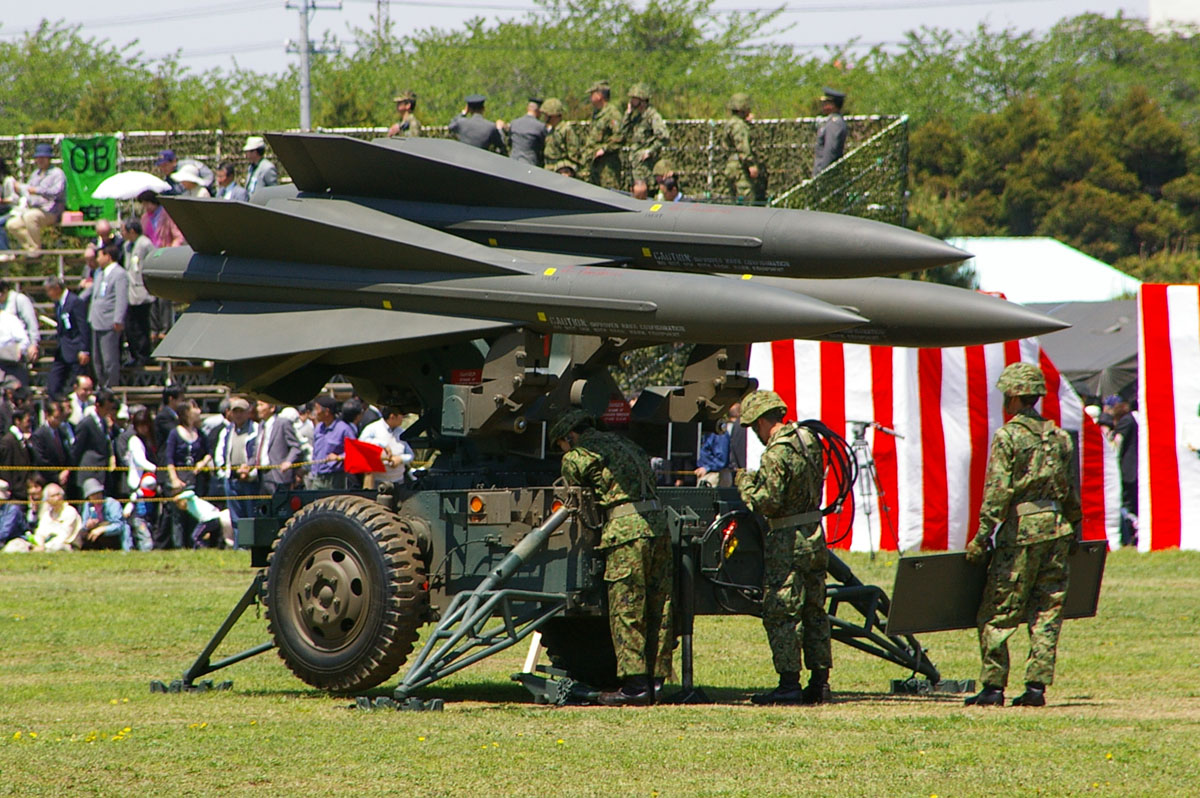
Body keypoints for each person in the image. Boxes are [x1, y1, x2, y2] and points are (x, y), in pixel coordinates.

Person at [963, 362, 1082, 708]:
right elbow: (1070, 491)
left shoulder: (1008, 436)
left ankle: (993, 687)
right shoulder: (1059, 436)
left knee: (997, 612)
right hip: (1057, 531)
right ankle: (1035, 688)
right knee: (1046, 611)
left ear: (1014, 397)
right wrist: (1073, 526)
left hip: (1022, 534)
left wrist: (982, 537)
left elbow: (997, 493)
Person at [551, 409, 674, 706]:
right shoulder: (627, 445)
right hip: (658, 527)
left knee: (627, 605)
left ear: (571, 436)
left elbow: (573, 490)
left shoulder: (579, 455)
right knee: (659, 606)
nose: (564, 451)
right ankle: (655, 681)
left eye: (562, 445)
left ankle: (634, 686)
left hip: (627, 533)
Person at [735, 390, 832, 705]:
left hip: (787, 541)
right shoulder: (808, 440)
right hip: (814, 535)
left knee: (782, 611)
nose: (756, 434)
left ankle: (789, 685)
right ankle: (820, 683)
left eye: (754, 427)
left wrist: (745, 485)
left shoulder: (775, 453)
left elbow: (768, 503)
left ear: (764, 421)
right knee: (815, 611)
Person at [5, 142, 65, 253]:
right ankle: (31, 248)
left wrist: (37, 191)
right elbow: (28, 193)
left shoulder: (57, 173)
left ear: (49, 158)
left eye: (43, 157)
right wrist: (19, 189)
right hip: (34, 209)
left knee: (30, 217)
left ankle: (36, 249)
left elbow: (57, 192)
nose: (40, 160)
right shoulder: (35, 174)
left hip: (51, 211)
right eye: (38, 158)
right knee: (12, 224)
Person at [86, 242, 129, 389]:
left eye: (99, 256)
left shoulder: (119, 274)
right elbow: (94, 294)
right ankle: (101, 385)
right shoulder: (100, 273)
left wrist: (118, 319)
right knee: (97, 359)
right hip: (96, 321)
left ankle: (111, 386)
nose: (97, 260)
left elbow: (121, 298)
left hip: (109, 321)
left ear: (108, 256)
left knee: (109, 359)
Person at [43, 276, 91, 400]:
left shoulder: (75, 301)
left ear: (57, 288)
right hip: (62, 349)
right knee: (53, 385)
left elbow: (83, 326)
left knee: (74, 386)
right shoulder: (58, 304)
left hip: (76, 349)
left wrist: (84, 349)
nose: (48, 294)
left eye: (49, 290)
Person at [214, 396, 259, 526]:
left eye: (241, 411)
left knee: (250, 514)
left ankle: (250, 545)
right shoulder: (226, 431)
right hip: (231, 478)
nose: (238, 415)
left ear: (248, 412)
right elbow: (219, 454)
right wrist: (223, 473)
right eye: (235, 411)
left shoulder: (256, 429)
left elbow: (257, 453)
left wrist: (250, 472)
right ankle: (238, 545)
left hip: (249, 478)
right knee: (235, 517)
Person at [621, 84, 670, 198]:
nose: (631, 101)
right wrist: (628, 114)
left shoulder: (652, 116)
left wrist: (650, 151)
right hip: (635, 162)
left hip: (645, 165)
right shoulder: (637, 117)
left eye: (634, 98)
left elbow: (664, 137)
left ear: (641, 99)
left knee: (643, 192)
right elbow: (623, 133)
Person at [4, 482, 81, 552]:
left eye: (58, 495)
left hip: (66, 546)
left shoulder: (70, 512)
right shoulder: (47, 514)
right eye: (53, 496)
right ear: (47, 500)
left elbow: (63, 537)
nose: (57, 498)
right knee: (16, 544)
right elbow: (40, 533)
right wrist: (38, 544)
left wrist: (44, 547)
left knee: (57, 547)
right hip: (44, 546)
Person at [71, 387, 118, 496]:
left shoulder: (104, 423)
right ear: (97, 406)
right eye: (106, 409)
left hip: (102, 471)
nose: (108, 412)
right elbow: (76, 449)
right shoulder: (86, 424)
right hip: (89, 471)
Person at [122, 220, 156, 368]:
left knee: (142, 326)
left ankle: (144, 355)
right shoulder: (127, 246)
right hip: (130, 292)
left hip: (142, 291)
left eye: (124, 231)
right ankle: (134, 354)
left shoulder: (145, 244)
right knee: (130, 326)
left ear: (132, 231)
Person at [358, 405, 415, 488]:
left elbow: (411, 455)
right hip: (377, 482)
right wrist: (382, 444)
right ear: (392, 417)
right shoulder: (373, 428)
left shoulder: (402, 432)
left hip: (398, 481)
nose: (402, 418)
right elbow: (361, 444)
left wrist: (401, 459)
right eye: (401, 416)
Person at [724, 93, 765, 204]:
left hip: (731, 166)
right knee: (747, 200)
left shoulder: (730, 123)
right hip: (740, 168)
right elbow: (743, 147)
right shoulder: (739, 125)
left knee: (732, 201)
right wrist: (751, 164)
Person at [255, 400, 302, 495]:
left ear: (272, 408)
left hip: (278, 473)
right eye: (257, 405)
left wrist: (288, 461)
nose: (257, 408)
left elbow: (295, 447)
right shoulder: (261, 425)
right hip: (262, 474)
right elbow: (259, 449)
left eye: (261, 405)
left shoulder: (283, 423)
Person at [1109, 396, 1139, 546]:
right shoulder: (1137, 420)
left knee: (1128, 504)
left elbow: (1117, 444)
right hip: (1134, 469)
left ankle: (1130, 534)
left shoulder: (1127, 421)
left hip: (1128, 470)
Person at [586, 81, 624, 190]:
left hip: (608, 166)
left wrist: (604, 148)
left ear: (599, 95)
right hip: (595, 164)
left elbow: (620, 135)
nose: (590, 97)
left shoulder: (612, 113)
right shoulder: (596, 113)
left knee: (609, 194)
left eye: (592, 94)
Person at [79, 477, 131, 550]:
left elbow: (119, 526)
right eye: (93, 495)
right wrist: (88, 525)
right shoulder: (87, 505)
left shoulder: (112, 503)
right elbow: (84, 524)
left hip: (112, 535)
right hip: (95, 534)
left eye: (98, 493)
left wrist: (102, 529)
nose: (96, 496)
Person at [29, 400, 72, 488]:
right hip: (47, 479)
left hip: (64, 477)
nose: (58, 421)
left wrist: (67, 470)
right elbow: (41, 460)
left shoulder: (62, 432)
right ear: (47, 415)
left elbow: (68, 453)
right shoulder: (39, 434)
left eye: (60, 418)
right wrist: (56, 476)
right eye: (56, 418)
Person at [0, 406, 33, 502]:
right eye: (27, 421)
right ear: (18, 421)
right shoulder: (8, 441)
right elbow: (6, 469)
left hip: (23, 492)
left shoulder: (23, 440)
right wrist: (13, 490)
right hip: (14, 495)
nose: (29, 424)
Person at [541, 98, 580, 177]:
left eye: (546, 114)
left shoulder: (565, 130)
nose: (544, 117)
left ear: (552, 115)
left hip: (560, 172)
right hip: (549, 170)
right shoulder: (552, 130)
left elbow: (574, 154)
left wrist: (567, 169)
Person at [812, 87, 847, 177]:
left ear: (832, 105)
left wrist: (823, 175)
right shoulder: (831, 121)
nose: (823, 105)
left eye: (825, 103)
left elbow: (830, 151)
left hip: (826, 175)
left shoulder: (835, 123)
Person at [507, 97, 548, 166]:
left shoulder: (514, 123)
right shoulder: (540, 127)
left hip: (513, 162)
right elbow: (545, 146)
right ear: (538, 111)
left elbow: (509, 143)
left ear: (527, 108)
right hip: (530, 164)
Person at [694, 418, 732, 487]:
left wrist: (707, 468)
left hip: (715, 475)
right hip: (705, 474)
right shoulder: (704, 430)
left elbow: (722, 460)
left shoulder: (719, 431)